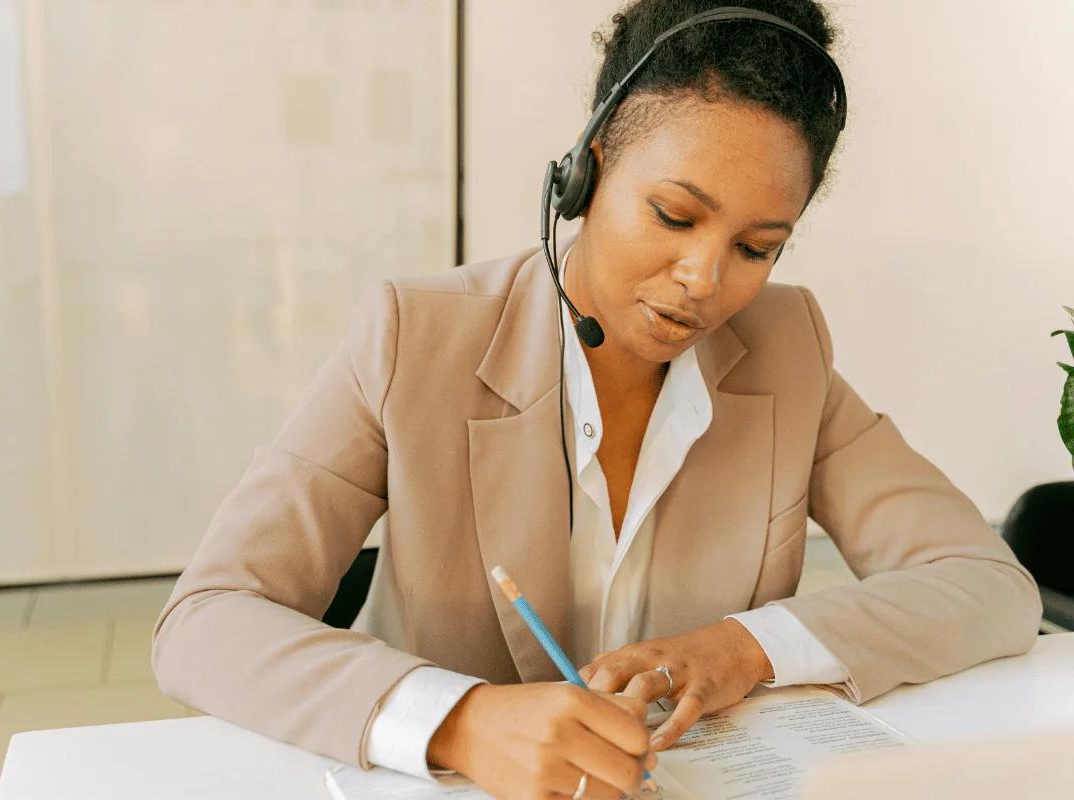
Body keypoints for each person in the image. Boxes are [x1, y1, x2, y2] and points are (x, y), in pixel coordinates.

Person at [152, 2, 1042, 799]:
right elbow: (204, 620)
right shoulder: (412, 336)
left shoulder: (787, 351)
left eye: (757, 247)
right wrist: (462, 722)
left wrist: (742, 647)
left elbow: (987, 586)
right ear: (589, 168)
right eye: (674, 215)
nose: (703, 280)